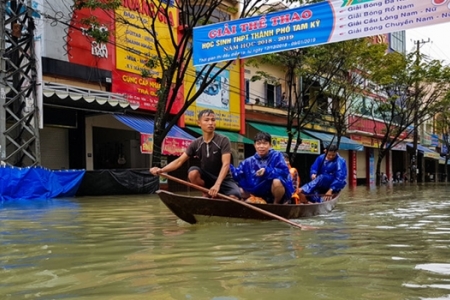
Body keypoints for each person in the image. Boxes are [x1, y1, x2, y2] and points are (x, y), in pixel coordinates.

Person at [149, 109, 241, 199]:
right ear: (199, 123)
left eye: (213, 120)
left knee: (235, 196)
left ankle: (219, 195)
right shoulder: (196, 143)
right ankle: (206, 193)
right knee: (193, 173)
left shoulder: (223, 140)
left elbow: (226, 164)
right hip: (207, 178)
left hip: (224, 179)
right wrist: (161, 170)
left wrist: (217, 185)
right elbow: (179, 161)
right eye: (206, 120)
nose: (210, 123)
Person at [230, 132, 294, 204]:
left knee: (277, 181)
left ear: (270, 145)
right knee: (235, 190)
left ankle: (276, 204)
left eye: (264, 143)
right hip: (254, 193)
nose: (261, 146)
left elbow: (284, 172)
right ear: (254, 145)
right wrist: (227, 166)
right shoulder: (248, 161)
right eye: (258, 143)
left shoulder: (277, 155)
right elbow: (236, 174)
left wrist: (266, 171)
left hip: (272, 194)